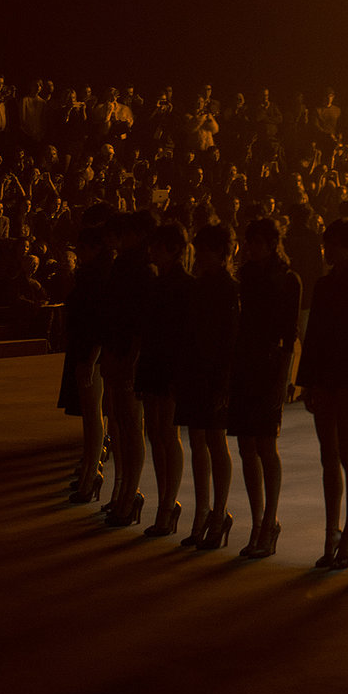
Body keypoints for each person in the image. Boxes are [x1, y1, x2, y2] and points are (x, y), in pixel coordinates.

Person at [295, 219, 348, 570]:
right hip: (329, 377)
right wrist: (309, 382)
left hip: (344, 379)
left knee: (346, 455)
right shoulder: (325, 285)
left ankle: (347, 533)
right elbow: (313, 336)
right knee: (332, 456)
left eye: (333, 245)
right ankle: (336, 533)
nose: (327, 251)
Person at [232, 216, 301, 560]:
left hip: (269, 365)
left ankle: (268, 520)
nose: (251, 247)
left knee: (264, 444)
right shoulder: (246, 276)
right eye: (249, 242)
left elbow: (289, 337)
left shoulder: (288, 280)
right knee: (247, 445)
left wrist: (284, 378)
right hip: (245, 363)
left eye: (257, 242)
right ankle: (259, 520)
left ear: (272, 244)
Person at [179, 222, 241, 550]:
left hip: (214, 372)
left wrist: (224, 382)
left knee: (213, 440)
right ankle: (205, 511)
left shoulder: (228, 288)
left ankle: (218, 512)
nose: (199, 254)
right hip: (196, 370)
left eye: (205, 249)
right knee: (199, 439)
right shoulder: (198, 286)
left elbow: (230, 339)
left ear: (222, 252)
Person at [135, 222, 194, 540]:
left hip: (169, 364)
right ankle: (165, 501)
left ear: (173, 249)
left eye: (158, 246)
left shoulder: (183, 285)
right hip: (155, 361)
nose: (152, 251)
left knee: (167, 433)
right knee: (156, 433)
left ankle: (168, 504)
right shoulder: (158, 282)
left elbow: (184, 335)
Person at [98, 210, 155, 528]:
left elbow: (139, 319)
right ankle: (124, 491)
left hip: (126, 351)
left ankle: (129, 492)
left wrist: (132, 355)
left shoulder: (142, 270)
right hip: (118, 348)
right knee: (122, 422)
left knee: (131, 425)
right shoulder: (125, 266)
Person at [55, 207, 111, 505]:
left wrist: (90, 358)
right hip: (86, 350)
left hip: (92, 353)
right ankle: (90, 470)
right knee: (91, 418)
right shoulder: (91, 276)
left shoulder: (96, 280)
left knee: (93, 417)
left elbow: (99, 323)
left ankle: (91, 473)